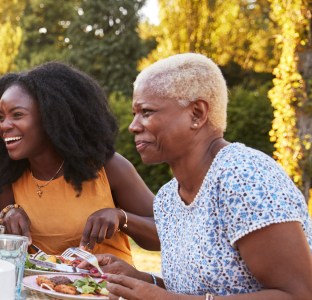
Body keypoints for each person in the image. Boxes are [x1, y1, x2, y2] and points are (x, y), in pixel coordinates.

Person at [90, 53, 312, 299]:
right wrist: (140, 279)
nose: (133, 125)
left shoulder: (244, 176)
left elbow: (298, 293)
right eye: (135, 113)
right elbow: (195, 292)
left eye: (147, 111)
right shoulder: (167, 199)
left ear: (196, 113)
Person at [0, 62, 159, 264]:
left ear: (51, 118)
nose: (4, 126)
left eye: (17, 115)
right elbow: (9, 255)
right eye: (1, 118)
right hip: (41, 290)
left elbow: (163, 236)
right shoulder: (9, 176)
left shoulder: (109, 167)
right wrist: (8, 213)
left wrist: (121, 217)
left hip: (107, 289)